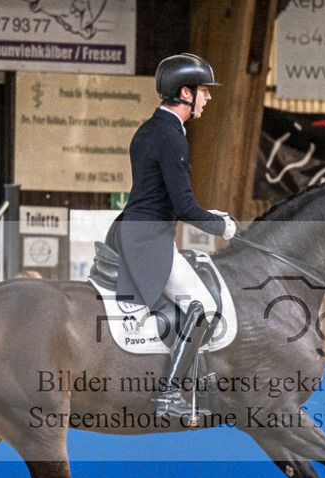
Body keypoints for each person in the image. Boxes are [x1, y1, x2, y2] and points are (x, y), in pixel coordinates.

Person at [104, 53, 237, 419]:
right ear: (185, 93)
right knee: (205, 308)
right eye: (203, 90)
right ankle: (169, 395)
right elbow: (183, 206)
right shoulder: (171, 137)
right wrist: (221, 225)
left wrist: (211, 215)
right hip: (148, 240)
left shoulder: (150, 129)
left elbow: (163, 197)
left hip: (131, 230)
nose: (208, 97)